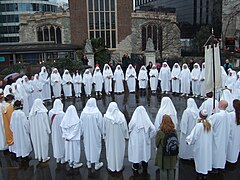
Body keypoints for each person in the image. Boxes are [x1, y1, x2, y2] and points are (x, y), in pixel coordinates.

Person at [128, 106, 156, 174]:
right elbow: (154, 130)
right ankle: (145, 165)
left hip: (136, 141)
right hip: (144, 141)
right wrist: (149, 136)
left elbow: (129, 128)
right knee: (144, 153)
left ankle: (135, 166)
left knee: (136, 153)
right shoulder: (147, 120)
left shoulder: (133, 121)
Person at [186, 109, 213, 179]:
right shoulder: (210, 124)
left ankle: (200, 174)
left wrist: (188, 140)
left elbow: (193, 136)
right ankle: (205, 173)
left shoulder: (199, 125)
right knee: (206, 159)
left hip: (200, 147)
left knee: (200, 160)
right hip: (207, 146)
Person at [103, 102, 129, 172]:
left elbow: (104, 128)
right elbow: (125, 128)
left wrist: (104, 136)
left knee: (110, 152)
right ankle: (119, 167)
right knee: (119, 152)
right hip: (119, 139)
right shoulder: (121, 116)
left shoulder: (106, 117)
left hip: (110, 139)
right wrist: (126, 136)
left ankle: (111, 166)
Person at [80, 98, 103, 170]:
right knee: (96, 146)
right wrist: (103, 133)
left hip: (86, 134)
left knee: (87, 146)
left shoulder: (83, 112)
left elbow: (81, 123)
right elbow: (101, 124)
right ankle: (96, 163)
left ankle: (88, 162)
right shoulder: (97, 113)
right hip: (95, 134)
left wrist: (81, 133)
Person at [209, 100, 231, 172]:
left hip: (217, 136)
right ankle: (221, 165)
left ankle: (215, 166)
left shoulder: (217, 115)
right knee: (222, 151)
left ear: (221, 105)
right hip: (225, 136)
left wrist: (212, 114)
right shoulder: (228, 115)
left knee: (216, 150)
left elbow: (209, 122)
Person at [155, 114, 178, 180]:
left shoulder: (160, 132)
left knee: (163, 171)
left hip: (163, 155)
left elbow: (156, 144)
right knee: (171, 170)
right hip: (172, 154)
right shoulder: (174, 131)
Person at [49, 99, 65, 164]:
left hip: (54, 130)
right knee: (62, 143)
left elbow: (49, 121)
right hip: (61, 130)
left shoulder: (51, 112)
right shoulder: (62, 114)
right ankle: (62, 157)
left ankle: (57, 158)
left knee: (55, 143)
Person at [226, 99, 240, 164]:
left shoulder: (231, 115)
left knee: (230, 147)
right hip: (238, 134)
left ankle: (229, 160)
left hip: (231, 134)